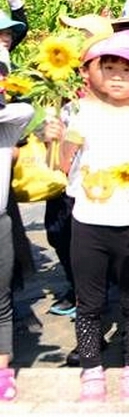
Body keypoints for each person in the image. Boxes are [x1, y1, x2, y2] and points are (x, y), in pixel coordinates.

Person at [43, 31, 129, 405]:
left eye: (127, 69)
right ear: (96, 71)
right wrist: (56, 139)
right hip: (88, 223)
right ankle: (91, 368)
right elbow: (65, 167)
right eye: (109, 67)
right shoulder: (85, 113)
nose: (117, 76)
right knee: (89, 302)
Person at [0, 101, 34, 402]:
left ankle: (2, 370)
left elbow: (25, 110)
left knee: (1, 300)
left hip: (0, 222)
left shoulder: (6, 129)